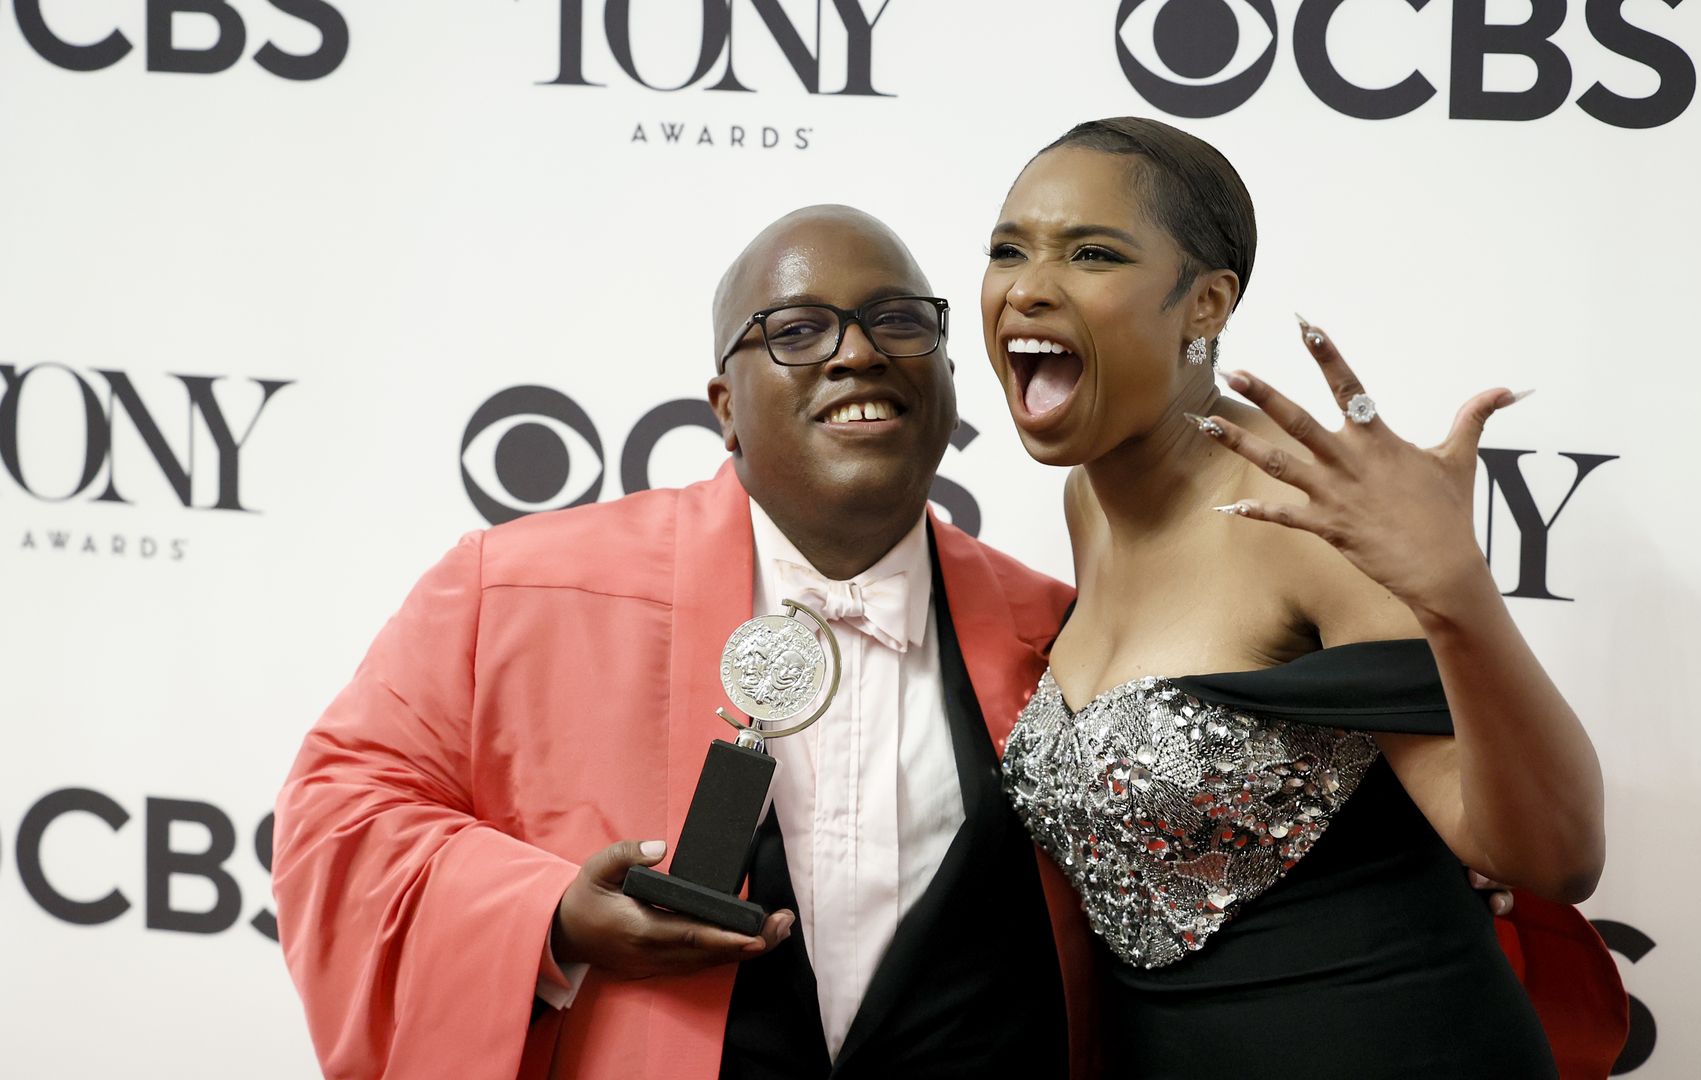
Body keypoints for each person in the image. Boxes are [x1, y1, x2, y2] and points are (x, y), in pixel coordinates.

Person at [271, 205, 1096, 1080]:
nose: (858, 352)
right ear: (724, 409)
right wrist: (550, 915)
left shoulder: (1067, 633)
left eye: (897, 321)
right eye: (797, 329)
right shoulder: (508, 590)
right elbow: (339, 820)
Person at [986, 118, 1629, 1077]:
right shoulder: (1089, 501)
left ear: (1205, 303)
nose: (1029, 286)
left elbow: (1552, 858)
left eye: (1091, 254)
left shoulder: (1311, 522)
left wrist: (1458, 594)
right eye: (1009, 249)